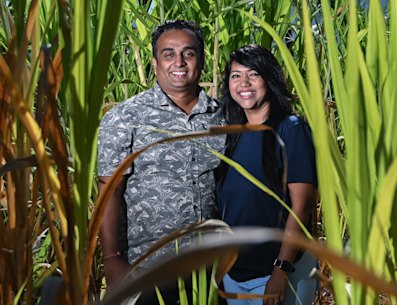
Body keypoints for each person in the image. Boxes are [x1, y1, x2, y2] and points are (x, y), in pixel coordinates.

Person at [97, 20, 225, 305]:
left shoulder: (223, 116)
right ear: (156, 62)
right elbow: (109, 191)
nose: (178, 62)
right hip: (147, 268)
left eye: (188, 53)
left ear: (201, 61)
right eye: (168, 54)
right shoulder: (125, 117)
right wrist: (111, 258)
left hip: (210, 267)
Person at [216, 44, 318, 305]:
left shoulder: (291, 129)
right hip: (234, 275)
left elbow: (302, 206)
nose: (244, 83)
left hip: (278, 273)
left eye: (253, 74)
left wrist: (280, 270)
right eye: (236, 76)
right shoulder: (231, 135)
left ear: (269, 78)